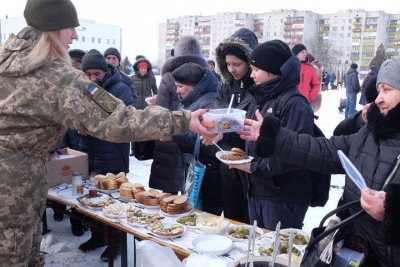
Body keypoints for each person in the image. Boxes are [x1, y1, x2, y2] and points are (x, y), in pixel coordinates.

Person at [0, 1, 213, 266]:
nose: (75, 36)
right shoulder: (56, 76)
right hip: (16, 184)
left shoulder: (6, 59)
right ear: (52, 30)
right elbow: (117, 120)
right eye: (70, 28)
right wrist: (183, 120)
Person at [239, 58, 400, 267]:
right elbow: (323, 150)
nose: (378, 99)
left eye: (387, 90)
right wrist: (275, 137)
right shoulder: (369, 134)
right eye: (378, 90)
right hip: (357, 253)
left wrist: (394, 212)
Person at [215, 40, 315, 230]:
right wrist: (223, 137)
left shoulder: (294, 104)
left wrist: (252, 166)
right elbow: (249, 134)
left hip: (283, 196)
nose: (251, 75)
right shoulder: (261, 97)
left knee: (278, 254)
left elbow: (297, 154)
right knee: (258, 251)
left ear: (273, 69)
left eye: (256, 69)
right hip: (258, 190)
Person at [77, 49, 135, 261]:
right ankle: (98, 236)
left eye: (97, 74)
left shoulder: (119, 89)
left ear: (105, 72)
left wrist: (92, 126)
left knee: (113, 200)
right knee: (91, 197)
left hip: (113, 152)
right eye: (88, 74)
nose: (93, 78)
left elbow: (125, 120)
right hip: (87, 149)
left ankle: (116, 242)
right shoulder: (82, 88)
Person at [149, 35, 209, 195]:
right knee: (192, 194)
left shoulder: (169, 76)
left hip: (170, 137)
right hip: (195, 137)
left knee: (169, 197)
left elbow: (160, 112)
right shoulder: (206, 74)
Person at [212, 28, 259, 224]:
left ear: (250, 61)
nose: (232, 69)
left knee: (251, 217)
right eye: (228, 64)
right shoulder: (225, 85)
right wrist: (216, 131)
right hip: (228, 157)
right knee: (232, 214)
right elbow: (220, 116)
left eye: (237, 64)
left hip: (252, 160)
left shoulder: (259, 85)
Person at [171, 63, 223, 215]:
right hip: (196, 165)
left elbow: (202, 136)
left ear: (194, 86)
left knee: (205, 214)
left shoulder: (209, 102)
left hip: (209, 170)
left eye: (180, 86)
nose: (177, 90)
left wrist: (172, 133)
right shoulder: (192, 98)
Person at [130, 58, 158, 160]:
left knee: (146, 128)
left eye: (145, 68)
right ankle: (134, 149)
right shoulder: (132, 78)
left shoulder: (151, 79)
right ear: (138, 69)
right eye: (141, 68)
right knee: (135, 128)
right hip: (135, 107)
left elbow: (155, 92)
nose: (143, 70)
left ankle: (145, 149)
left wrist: (154, 100)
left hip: (147, 107)